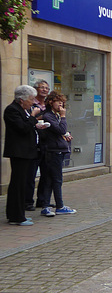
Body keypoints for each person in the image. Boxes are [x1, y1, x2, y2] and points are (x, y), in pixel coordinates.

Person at [3, 85, 43, 226]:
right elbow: (22, 128)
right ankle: (16, 216)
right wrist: (33, 118)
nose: (32, 102)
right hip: (19, 152)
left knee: (22, 183)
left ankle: (18, 214)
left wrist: (36, 124)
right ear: (22, 100)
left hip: (27, 152)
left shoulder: (23, 110)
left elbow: (27, 126)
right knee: (18, 184)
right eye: (31, 99)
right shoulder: (12, 110)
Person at [40, 91, 76, 216]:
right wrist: (64, 117)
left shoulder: (55, 116)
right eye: (58, 101)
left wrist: (65, 135)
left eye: (62, 101)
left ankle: (45, 206)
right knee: (57, 179)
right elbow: (61, 129)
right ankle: (59, 206)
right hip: (54, 151)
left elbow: (61, 131)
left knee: (50, 179)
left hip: (57, 149)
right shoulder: (49, 116)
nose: (61, 104)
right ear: (51, 102)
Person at [25, 79, 50, 210]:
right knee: (30, 175)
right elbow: (28, 121)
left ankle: (43, 200)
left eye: (47, 88)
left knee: (46, 174)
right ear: (36, 89)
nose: (45, 90)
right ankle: (28, 201)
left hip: (47, 143)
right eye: (42, 87)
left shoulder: (48, 105)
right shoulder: (30, 104)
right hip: (34, 143)